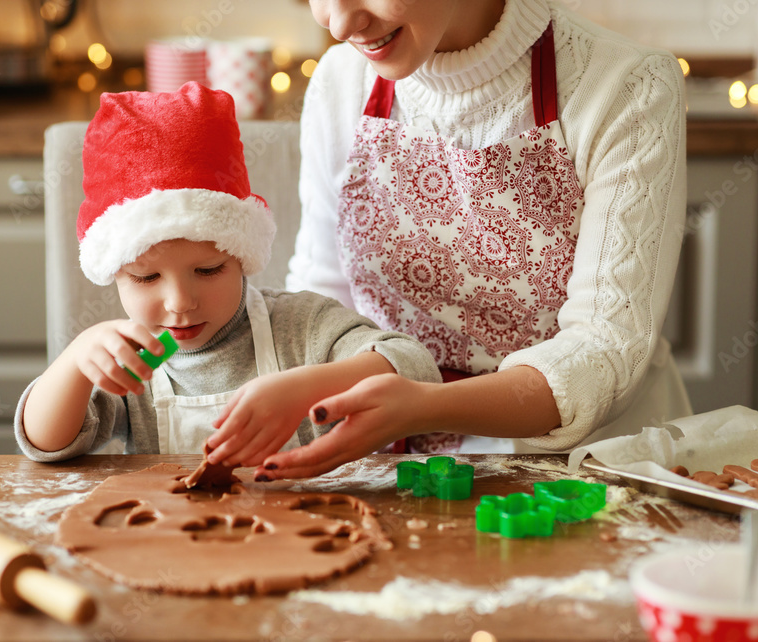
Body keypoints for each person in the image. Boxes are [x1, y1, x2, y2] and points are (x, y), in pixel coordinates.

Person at [243, 0, 693, 479]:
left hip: (582, 472)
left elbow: (602, 350)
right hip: (384, 462)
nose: (339, 24)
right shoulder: (341, 79)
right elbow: (323, 298)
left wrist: (424, 405)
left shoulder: (625, 84)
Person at [14, 84, 441, 464]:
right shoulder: (129, 361)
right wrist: (74, 360)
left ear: (242, 257)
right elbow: (47, 443)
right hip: (172, 544)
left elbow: (418, 370)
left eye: (208, 269)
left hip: (301, 539)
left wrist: (306, 387)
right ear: (115, 275)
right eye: (147, 278)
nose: (180, 302)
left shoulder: (301, 328)